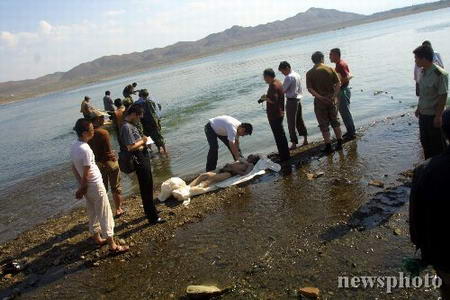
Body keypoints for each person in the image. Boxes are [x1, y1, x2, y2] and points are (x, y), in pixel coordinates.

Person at [70, 118, 128, 254]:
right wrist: (83, 186)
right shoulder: (86, 149)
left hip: (87, 186)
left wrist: (81, 185)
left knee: (92, 210)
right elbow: (87, 170)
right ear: (84, 133)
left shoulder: (74, 145)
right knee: (104, 212)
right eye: (91, 130)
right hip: (94, 184)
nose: (93, 132)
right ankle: (112, 245)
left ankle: (97, 237)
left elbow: (73, 167)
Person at [410, 108, 450, 299]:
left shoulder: (425, 170)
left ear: (443, 133)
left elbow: (416, 216)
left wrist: (422, 249)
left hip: (442, 251)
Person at [119, 104, 165, 225]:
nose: (140, 119)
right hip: (138, 159)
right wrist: (143, 141)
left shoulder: (130, 125)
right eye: (139, 117)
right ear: (134, 114)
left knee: (148, 185)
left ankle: (150, 210)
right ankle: (153, 217)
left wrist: (142, 141)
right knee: (146, 186)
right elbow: (130, 147)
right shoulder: (126, 127)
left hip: (142, 156)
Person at [413, 45, 448, 159]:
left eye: (416, 58)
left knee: (438, 145)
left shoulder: (439, 74)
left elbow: (442, 96)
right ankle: (428, 167)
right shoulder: (423, 72)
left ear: (423, 58)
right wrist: (418, 108)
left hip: (433, 115)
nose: (415, 61)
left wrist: (438, 116)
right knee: (425, 142)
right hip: (423, 114)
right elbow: (423, 94)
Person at [88, 111, 124, 217]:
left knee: (103, 189)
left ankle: (104, 211)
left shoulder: (88, 134)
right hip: (108, 163)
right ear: (98, 119)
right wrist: (113, 157)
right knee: (116, 187)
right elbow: (108, 151)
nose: (104, 119)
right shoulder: (103, 132)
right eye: (102, 118)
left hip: (97, 164)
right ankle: (118, 209)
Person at [306, 51, 343, 153]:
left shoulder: (309, 73)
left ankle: (328, 146)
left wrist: (319, 97)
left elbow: (309, 88)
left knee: (323, 124)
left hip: (319, 101)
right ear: (322, 59)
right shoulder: (330, 68)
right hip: (331, 99)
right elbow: (338, 84)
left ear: (313, 61)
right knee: (335, 121)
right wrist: (334, 96)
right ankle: (339, 142)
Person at [262, 68, 291, 162]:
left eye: (264, 77)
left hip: (274, 115)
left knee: (278, 136)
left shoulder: (273, 85)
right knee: (281, 135)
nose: (264, 79)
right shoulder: (278, 82)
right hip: (280, 112)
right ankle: (285, 154)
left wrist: (266, 98)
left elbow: (274, 100)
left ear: (268, 77)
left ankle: (284, 156)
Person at [278, 61, 308, 149]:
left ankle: (294, 143)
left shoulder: (289, 77)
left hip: (291, 101)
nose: (283, 73)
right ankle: (305, 139)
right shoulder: (297, 74)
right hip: (298, 100)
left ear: (287, 68)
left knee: (291, 123)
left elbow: (282, 91)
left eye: (282, 71)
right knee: (300, 120)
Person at [190, 155, 260, 191]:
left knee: (210, 180)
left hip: (229, 173)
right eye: (251, 155)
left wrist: (234, 169)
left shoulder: (250, 165)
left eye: (252, 156)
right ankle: (189, 186)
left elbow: (245, 174)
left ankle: (192, 190)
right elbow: (237, 158)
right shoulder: (244, 160)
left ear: (254, 160)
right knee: (204, 175)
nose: (250, 156)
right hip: (224, 169)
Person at [330, 48, 356, 139]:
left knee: (345, 113)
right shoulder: (340, 64)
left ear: (336, 55)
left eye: (331, 55)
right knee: (345, 112)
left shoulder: (340, 65)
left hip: (343, 90)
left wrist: (338, 84)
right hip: (344, 89)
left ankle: (351, 133)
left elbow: (347, 77)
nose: (329, 56)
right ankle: (350, 131)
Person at [136, 89, 167, 154]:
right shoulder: (151, 101)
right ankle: (164, 150)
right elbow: (159, 107)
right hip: (153, 122)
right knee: (158, 135)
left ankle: (152, 151)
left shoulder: (137, 103)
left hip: (144, 122)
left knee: (147, 136)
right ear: (147, 94)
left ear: (140, 95)